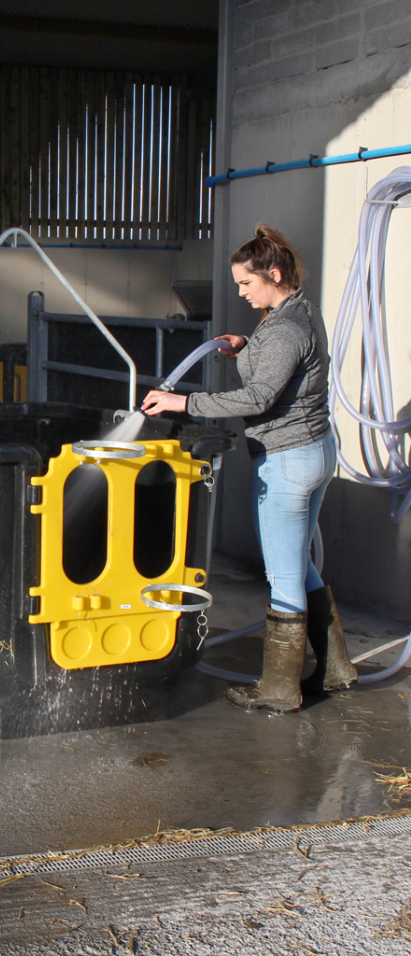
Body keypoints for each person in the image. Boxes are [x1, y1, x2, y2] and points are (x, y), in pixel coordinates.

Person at [141, 224, 357, 713]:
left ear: (273, 273)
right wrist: (246, 346)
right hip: (315, 450)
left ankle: (279, 689)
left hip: (288, 459)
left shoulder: (284, 327)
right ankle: (337, 669)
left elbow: (259, 397)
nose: (240, 291)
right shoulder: (296, 311)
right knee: (298, 562)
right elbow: (280, 369)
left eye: (245, 283)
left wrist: (183, 401)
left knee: (282, 575)